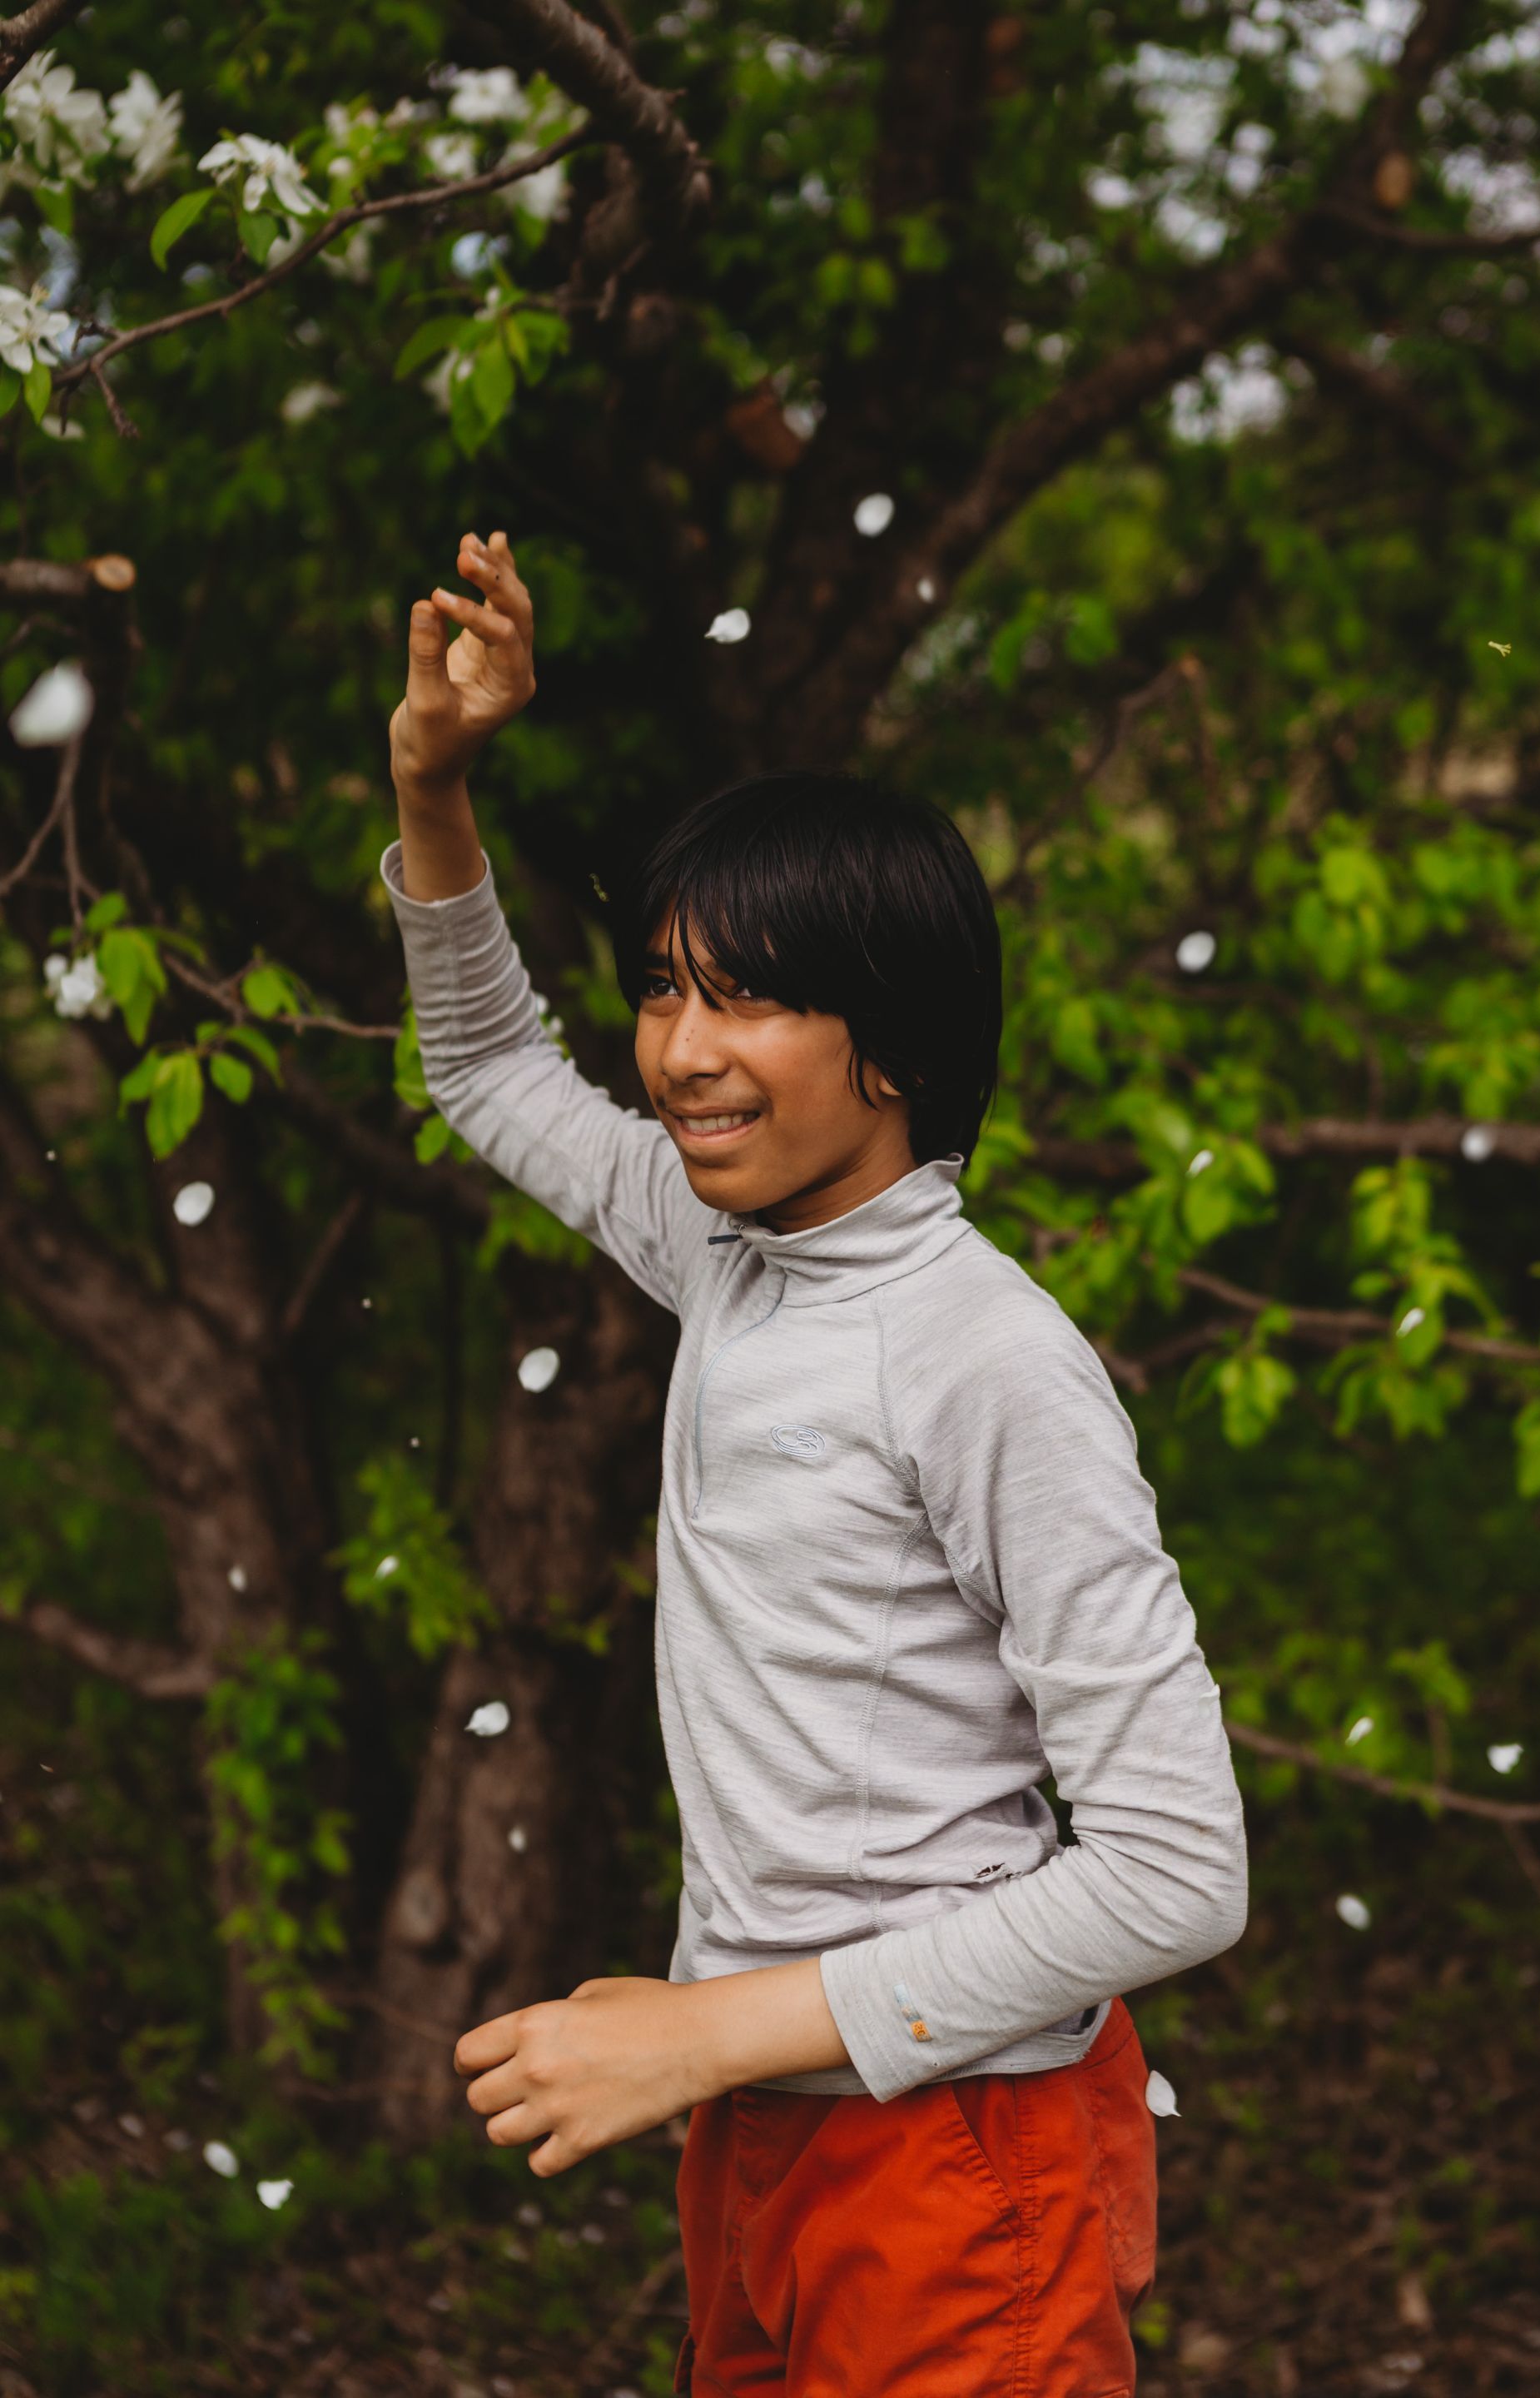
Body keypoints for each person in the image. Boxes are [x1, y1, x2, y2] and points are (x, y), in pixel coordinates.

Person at [384, 527, 1249, 2396]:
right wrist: (434, 786)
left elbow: (1182, 1873)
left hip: (959, 2160)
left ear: (898, 1050)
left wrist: (705, 2037)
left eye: (751, 997)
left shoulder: (992, 1362)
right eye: (666, 987)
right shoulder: (729, 1247)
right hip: (768, 2124)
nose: (682, 1051)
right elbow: (485, 1066)